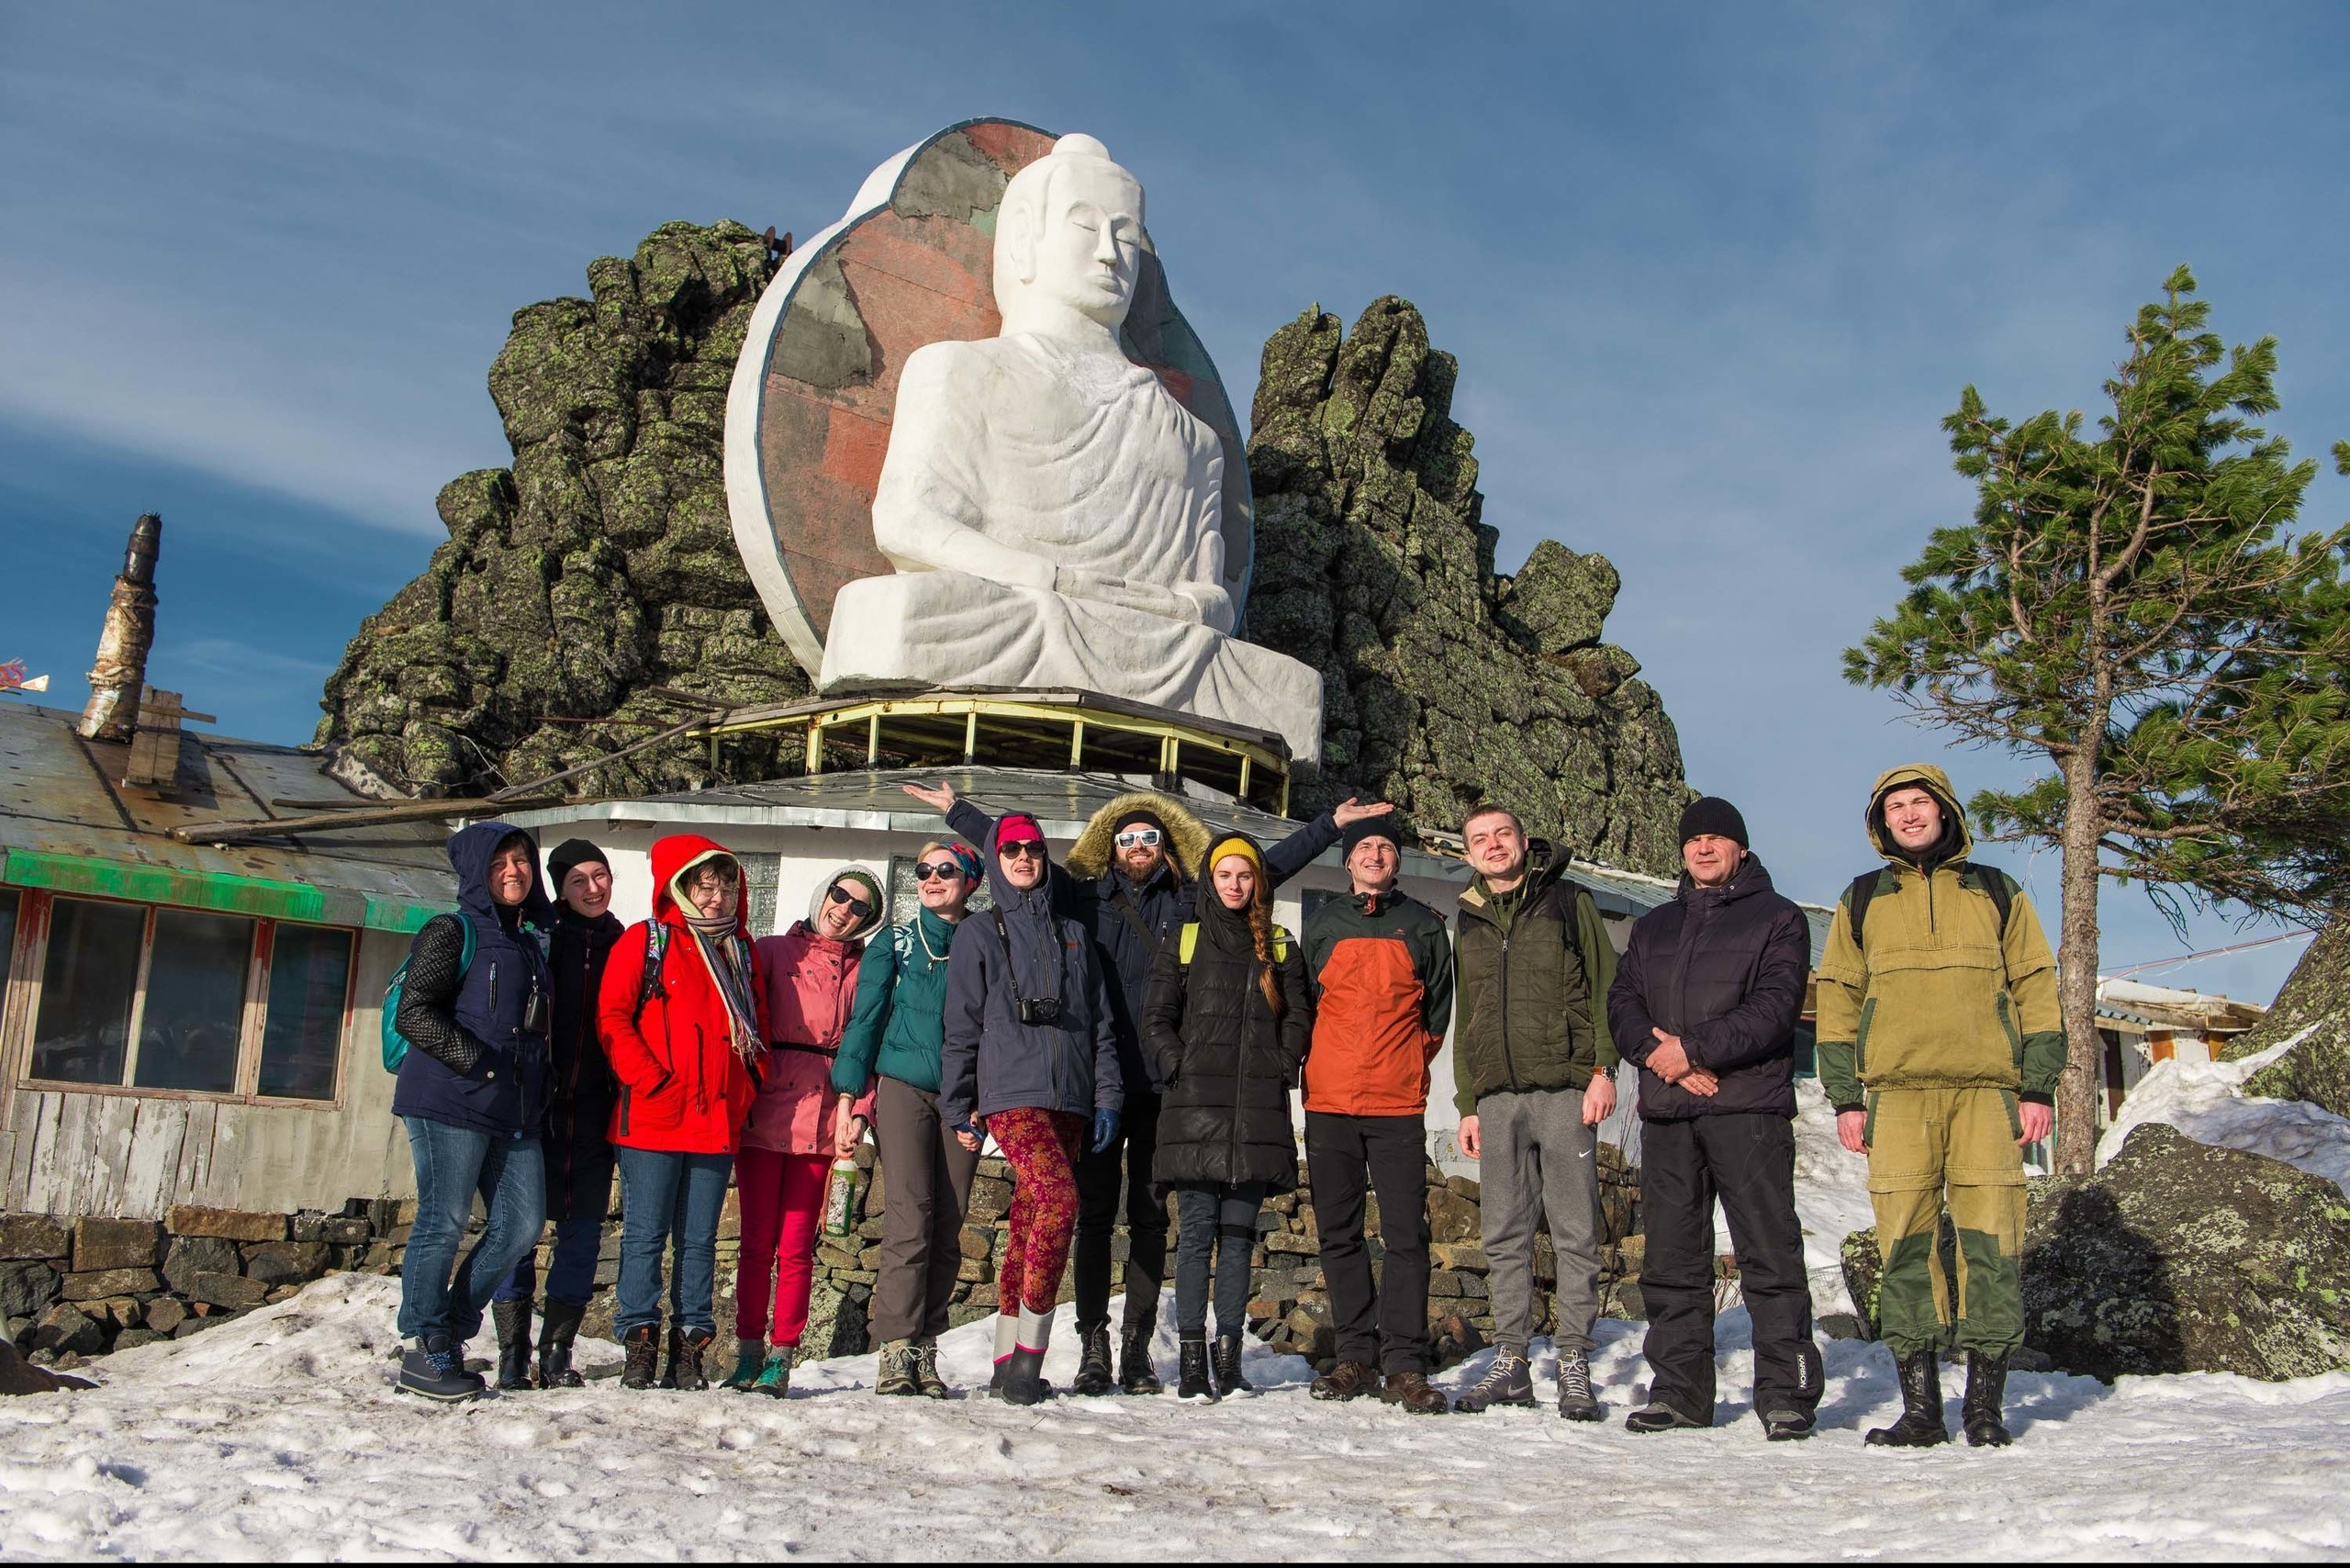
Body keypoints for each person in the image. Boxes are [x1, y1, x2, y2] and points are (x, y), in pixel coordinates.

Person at [906, 779, 1386, 1397]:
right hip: (1095, 1085)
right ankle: (1094, 1345)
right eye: (1128, 838)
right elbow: (1014, 857)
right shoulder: (1082, 900)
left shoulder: (1190, 898)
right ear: (1112, 845)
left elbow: (1252, 869)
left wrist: (1330, 826)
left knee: (1152, 1218)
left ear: (1164, 845)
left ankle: (1136, 1346)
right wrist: (956, 811)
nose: (1138, 846)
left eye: (1149, 838)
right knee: (1091, 1216)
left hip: (1168, 1084)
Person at [1816, 765, 2064, 1449]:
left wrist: (2037, 1085)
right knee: (1904, 1248)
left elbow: (2038, 985)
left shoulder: (1995, 891)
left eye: (1919, 802)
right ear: (1881, 822)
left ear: (1945, 810)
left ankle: (1984, 1408)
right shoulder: (1862, 899)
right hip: (1896, 1098)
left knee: (1993, 1244)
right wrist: (1845, 1097)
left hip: (1987, 1094)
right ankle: (1921, 1411)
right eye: (1895, 806)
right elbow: (1836, 996)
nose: (1909, 814)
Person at [1608, 798, 1822, 1439]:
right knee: (1672, 1261)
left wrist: (1692, 1050)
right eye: (1693, 840)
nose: (1703, 849)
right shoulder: (1655, 927)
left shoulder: (1778, 919)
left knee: (1768, 1252)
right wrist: (1660, 1057)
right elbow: (1621, 1002)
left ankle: (1784, 1394)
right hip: (1670, 1113)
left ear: (1741, 849)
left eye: (1716, 840)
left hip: (1747, 1110)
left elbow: (1775, 1007)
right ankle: (1680, 1393)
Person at [939, 812, 1122, 1406]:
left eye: (1034, 849)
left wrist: (1107, 1095)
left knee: (1027, 1221)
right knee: (1061, 1200)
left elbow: (1099, 1024)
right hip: (1011, 1094)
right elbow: (961, 1025)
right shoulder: (979, 933)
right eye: (1011, 848)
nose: (1023, 857)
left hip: (1069, 1094)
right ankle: (1028, 1362)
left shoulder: (1074, 933)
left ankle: (1002, 1358)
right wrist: (958, 1101)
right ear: (995, 859)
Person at [1447, 806, 1621, 1421]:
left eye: (1502, 835)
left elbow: (1608, 988)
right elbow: (1465, 1014)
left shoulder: (1570, 902)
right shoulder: (1467, 918)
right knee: (1503, 1233)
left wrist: (1604, 1070)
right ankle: (1511, 1361)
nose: (1493, 846)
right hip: (1496, 1098)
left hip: (1565, 1091)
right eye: (1479, 840)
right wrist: (1467, 1103)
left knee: (1575, 1232)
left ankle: (1573, 1359)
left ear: (1524, 842)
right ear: (1468, 854)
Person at [1141, 834, 1313, 1400]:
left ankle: (1230, 1359)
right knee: (1195, 1237)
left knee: (1238, 1239)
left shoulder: (1281, 945)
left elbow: (1299, 1018)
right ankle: (1192, 1357)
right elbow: (1157, 1016)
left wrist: (1281, 1063)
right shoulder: (1185, 940)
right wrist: (1178, 1066)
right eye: (1224, 876)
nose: (1235, 886)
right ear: (1210, 882)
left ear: (1258, 882)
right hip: (1194, 1111)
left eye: (1245, 876)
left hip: (1254, 1114)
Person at [390, 821, 554, 1403]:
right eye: (499, 862)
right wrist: (479, 1062)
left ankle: (451, 1329)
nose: (514, 871)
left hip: (514, 1109)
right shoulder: (449, 930)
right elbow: (415, 1013)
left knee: (522, 1225)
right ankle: (423, 1343)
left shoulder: (531, 943)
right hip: (448, 1098)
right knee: (443, 1221)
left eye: (522, 861)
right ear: (474, 872)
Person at [598, 836, 767, 1394]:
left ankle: (689, 1346)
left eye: (725, 888)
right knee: (645, 1237)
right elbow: (614, 1018)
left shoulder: (742, 953)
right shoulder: (646, 942)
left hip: (716, 1121)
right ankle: (639, 1343)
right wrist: (650, 1081)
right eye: (704, 887)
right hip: (653, 1116)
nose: (716, 899)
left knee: (699, 1241)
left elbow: (757, 1033)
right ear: (680, 886)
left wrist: (743, 1095)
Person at [1300, 815, 1454, 1415]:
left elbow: (1435, 1019)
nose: (1374, 855)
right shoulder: (1324, 926)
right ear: (1348, 861)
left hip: (1395, 1102)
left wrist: (1405, 1067)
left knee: (1406, 1236)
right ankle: (1355, 1358)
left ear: (1398, 861)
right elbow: (1305, 1006)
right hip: (1329, 1102)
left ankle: (1406, 1365)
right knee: (1339, 1235)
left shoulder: (1422, 926)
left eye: (1385, 847)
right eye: (1364, 846)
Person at [723, 867, 888, 1396]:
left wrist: (859, 1112)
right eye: (839, 896)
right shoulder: (771, 951)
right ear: (823, 894)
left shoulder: (867, 968)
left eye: (859, 906)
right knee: (754, 1243)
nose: (843, 909)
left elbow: (870, 1045)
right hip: (764, 1109)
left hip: (826, 1115)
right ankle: (747, 1350)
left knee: (797, 1244)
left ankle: (781, 1354)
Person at [834, 839, 987, 1399]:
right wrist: (849, 1100)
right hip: (902, 1089)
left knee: (949, 1222)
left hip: (963, 1098)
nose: (931, 878)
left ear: (971, 880)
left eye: (946, 870)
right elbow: (865, 1020)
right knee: (910, 1215)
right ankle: (896, 1348)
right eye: (924, 870)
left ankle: (927, 1346)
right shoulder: (893, 942)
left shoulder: (986, 939)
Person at [490, 838, 626, 1391]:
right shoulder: (538, 938)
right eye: (579, 880)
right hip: (534, 1105)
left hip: (595, 1109)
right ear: (559, 887)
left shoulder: (628, 943)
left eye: (602, 876)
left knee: (584, 1233)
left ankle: (557, 1352)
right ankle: (511, 1353)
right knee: (520, 1230)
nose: (593, 889)